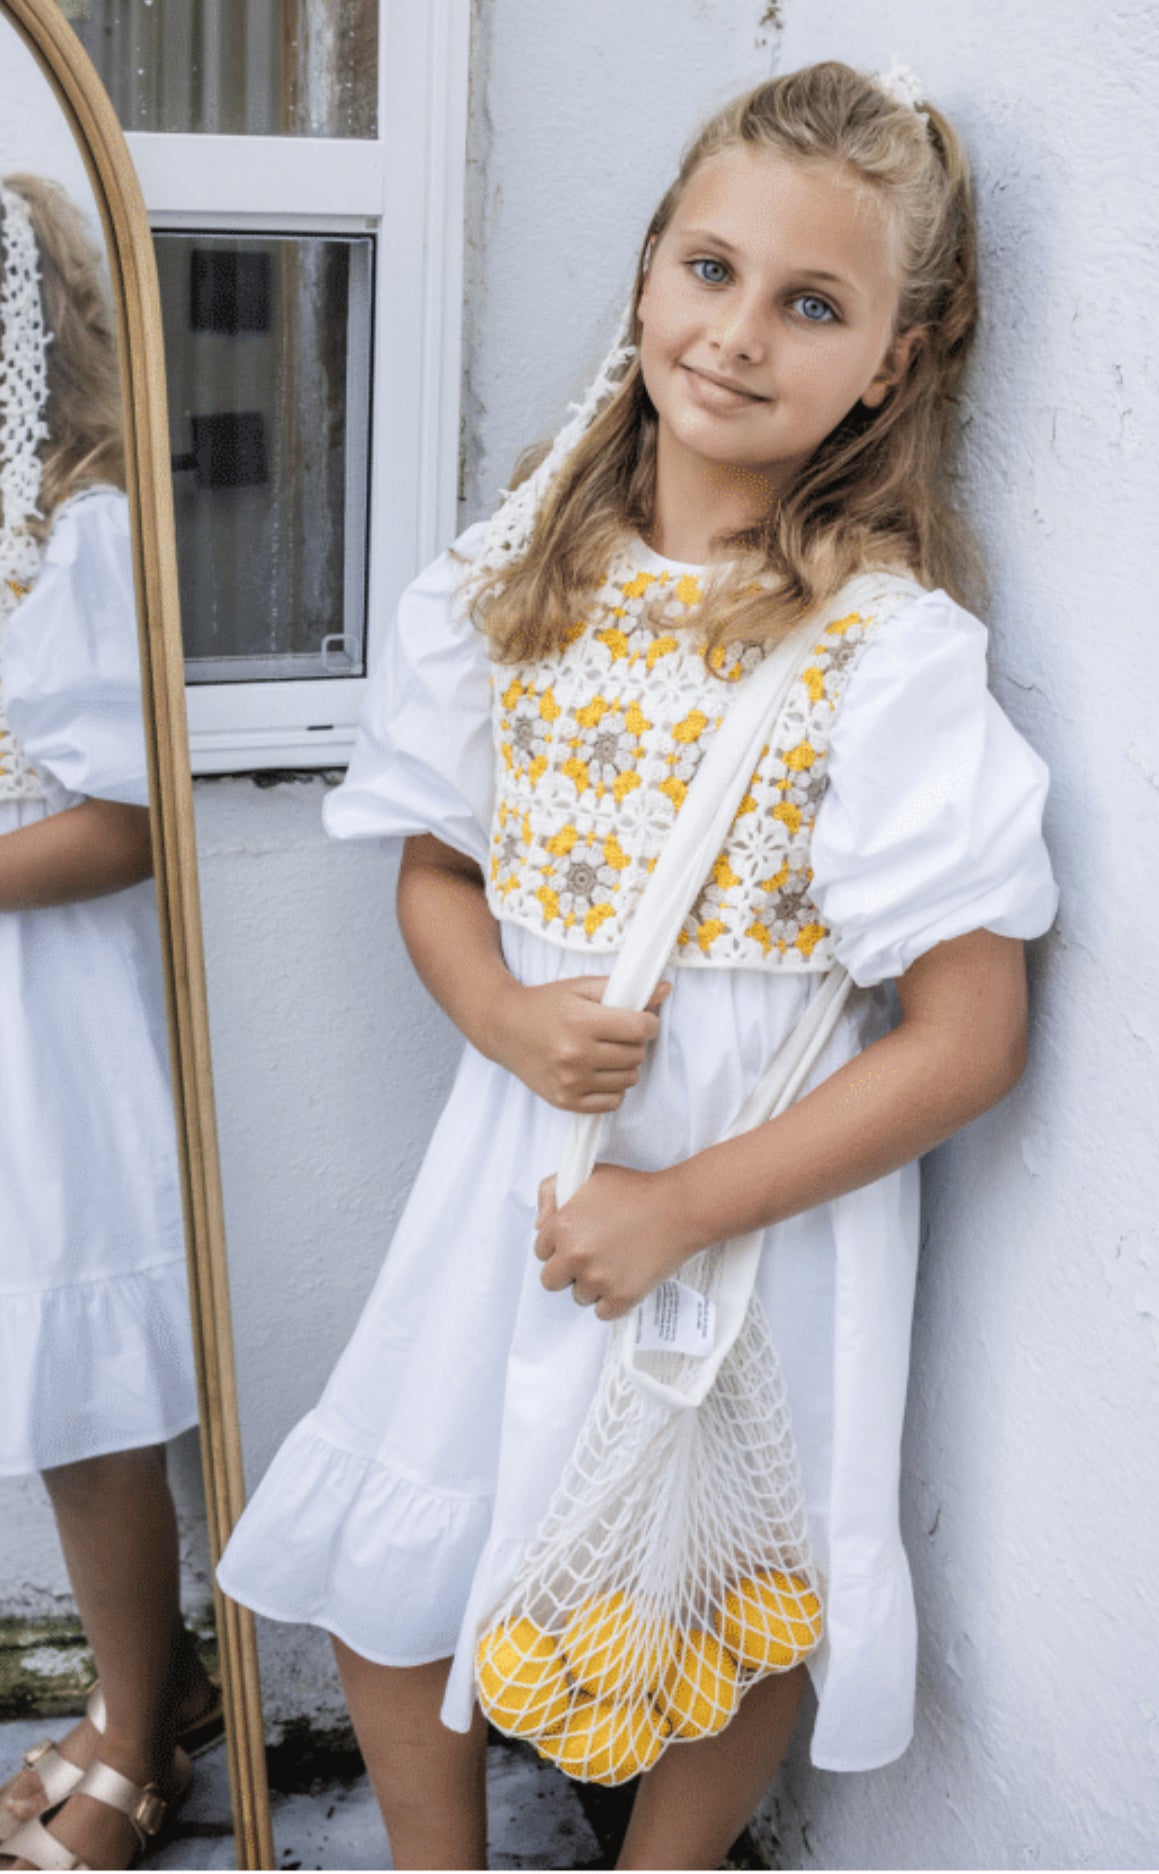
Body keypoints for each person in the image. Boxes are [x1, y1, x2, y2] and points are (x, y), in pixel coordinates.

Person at [218, 60, 1059, 1870]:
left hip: (754, 1204)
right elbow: (437, 868)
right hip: (513, 1164)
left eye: (812, 304)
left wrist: (683, 1203)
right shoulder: (522, 579)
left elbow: (970, 1030)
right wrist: (505, 1011)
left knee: (734, 1580)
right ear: (644, 277)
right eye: (711, 269)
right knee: (402, 1537)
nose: (742, 335)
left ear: (892, 361)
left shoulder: (884, 653)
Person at [0, 177, 219, 1872]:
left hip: (40, 1034)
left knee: (81, 1388)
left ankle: (143, 1711)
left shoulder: (67, 536)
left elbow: (134, 817)